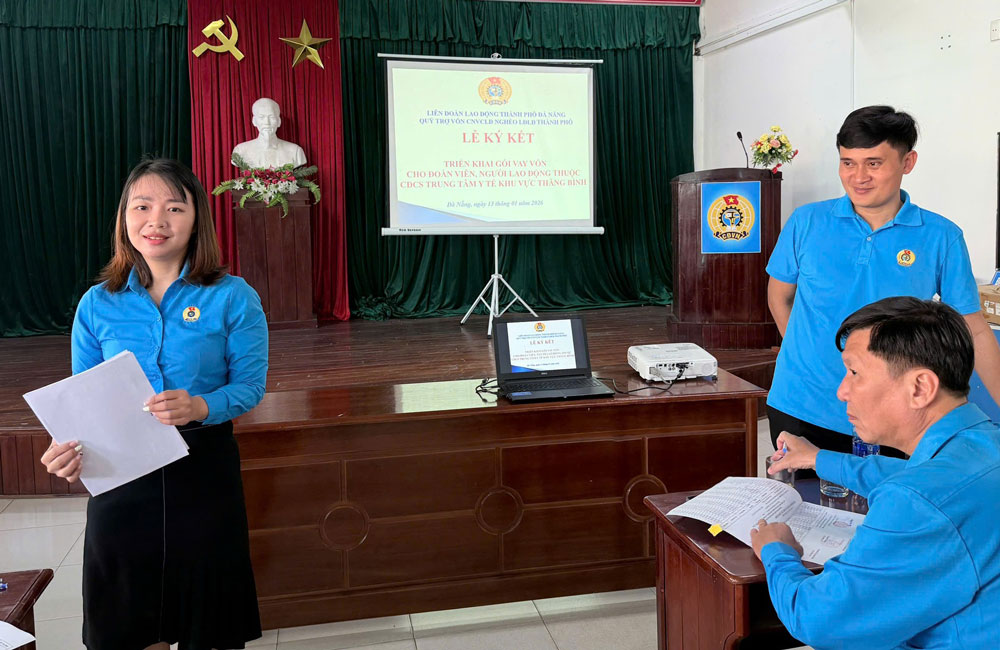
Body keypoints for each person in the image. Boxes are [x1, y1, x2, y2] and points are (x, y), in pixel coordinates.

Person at [40, 159, 268, 650]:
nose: (155, 221)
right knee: (126, 624)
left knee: (210, 625)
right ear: (125, 218)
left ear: (196, 219)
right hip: (122, 477)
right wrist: (67, 449)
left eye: (173, 207)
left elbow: (250, 387)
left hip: (203, 474)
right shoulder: (97, 304)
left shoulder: (233, 297)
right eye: (141, 206)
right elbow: (85, 403)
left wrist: (199, 407)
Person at [752, 297, 1000, 649]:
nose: (842, 391)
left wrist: (777, 552)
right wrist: (818, 458)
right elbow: (909, 477)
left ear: (920, 388)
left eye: (854, 373)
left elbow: (818, 620)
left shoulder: (918, 502)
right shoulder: (984, 443)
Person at [765, 105, 1000, 458]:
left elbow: (974, 329)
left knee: (887, 506)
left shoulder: (940, 236)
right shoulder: (807, 222)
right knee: (805, 508)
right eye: (848, 162)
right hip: (802, 404)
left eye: (874, 163)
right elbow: (779, 296)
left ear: (908, 163)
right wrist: (806, 356)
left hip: (893, 415)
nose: (858, 176)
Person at [232, 97, 307, 169]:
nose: (267, 122)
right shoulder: (241, 150)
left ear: (279, 121)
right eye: (261, 117)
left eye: (272, 117)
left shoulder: (295, 151)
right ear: (254, 121)